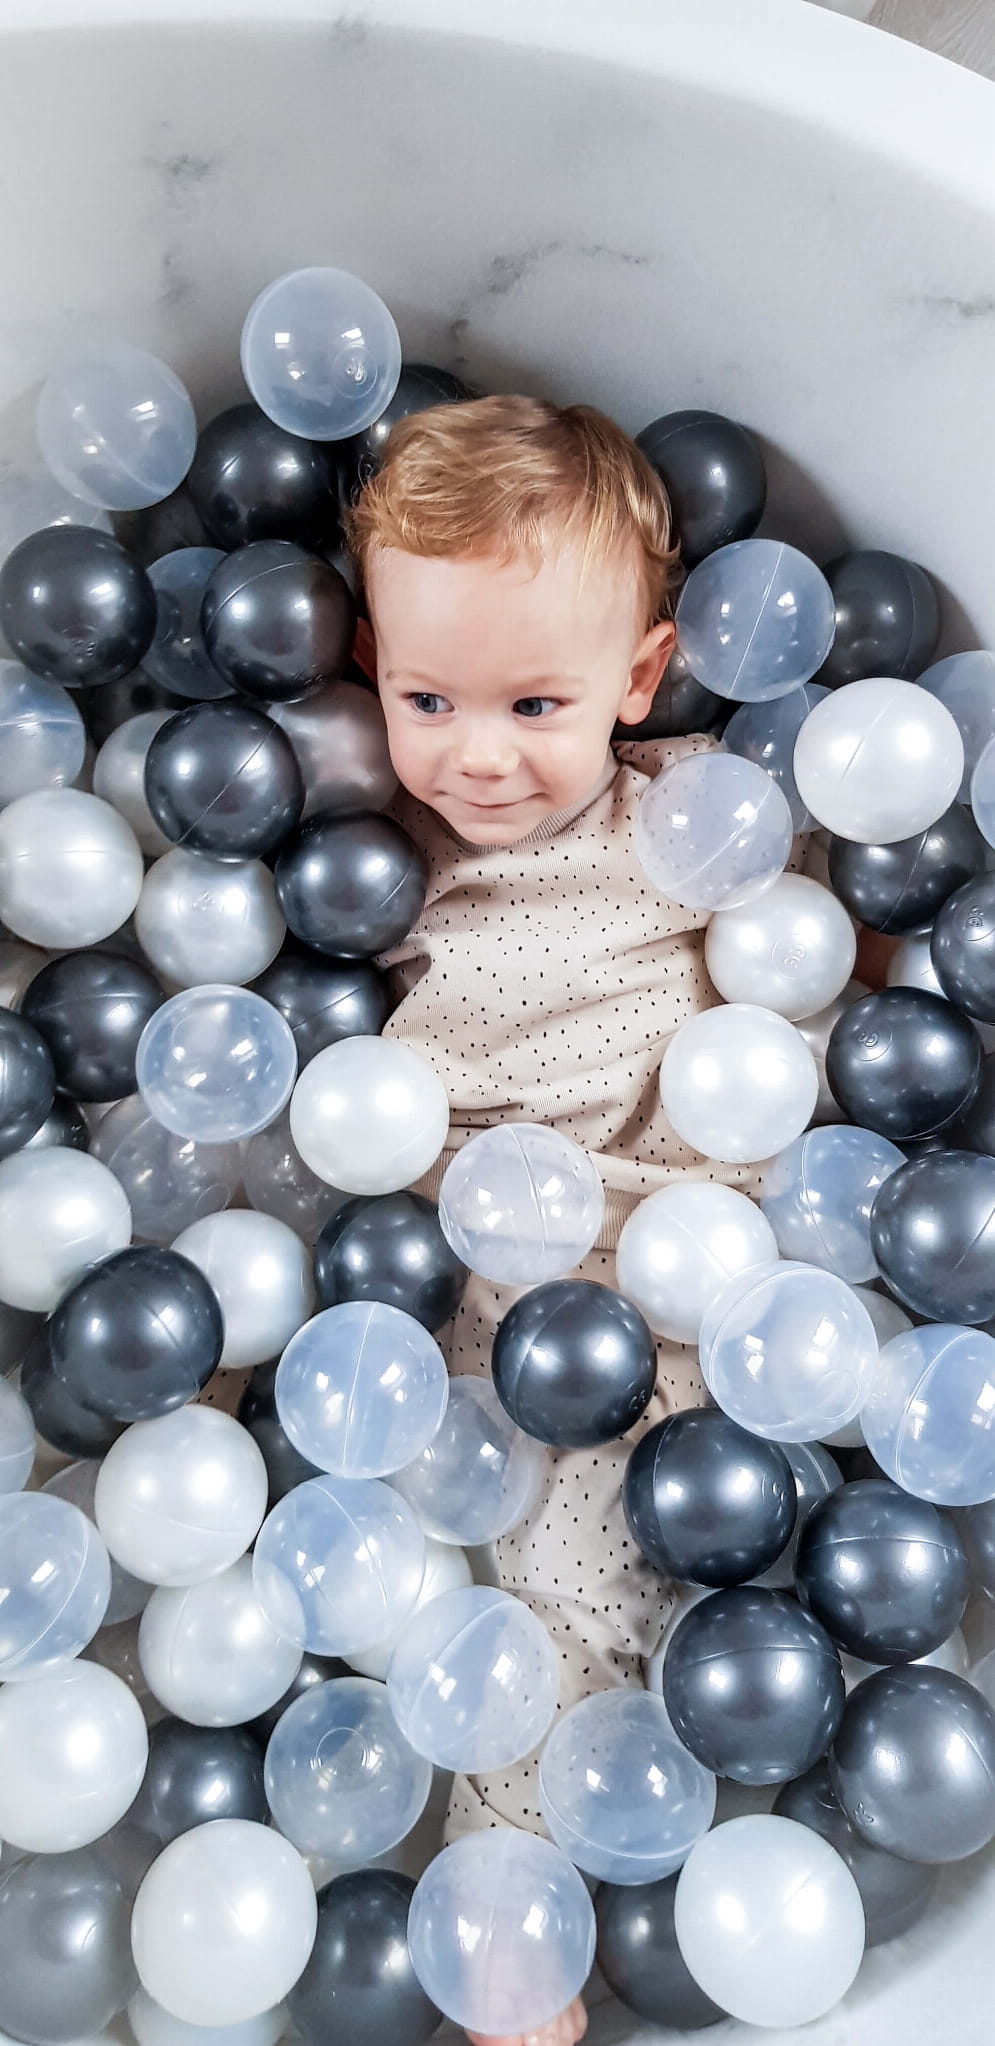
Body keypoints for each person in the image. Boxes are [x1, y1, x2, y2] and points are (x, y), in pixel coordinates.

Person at [343, 393, 784, 2046]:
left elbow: (826, 920)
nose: (478, 753)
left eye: (537, 704)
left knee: (581, 1587)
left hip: (668, 1284)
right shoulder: (373, 851)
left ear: (641, 678)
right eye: (428, 698)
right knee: (419, 1580)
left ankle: (510, 1928)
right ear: (371, 670)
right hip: (453, 1287)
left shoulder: (690, 807)